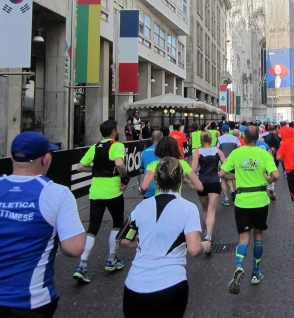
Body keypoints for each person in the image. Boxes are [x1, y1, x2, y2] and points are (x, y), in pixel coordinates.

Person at [0, 131, 86, 317]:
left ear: (12, 157)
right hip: (31, 303)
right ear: (46, 158)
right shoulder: (58, 194)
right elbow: (74, 248)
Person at [121, 157, 211, 318]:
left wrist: (145, 241)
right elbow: (194, 249)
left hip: (134, 288)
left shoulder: (140, 207)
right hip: (170, 287)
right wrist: (205, 245)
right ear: (181, 179)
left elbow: (123, 240)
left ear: (156, 179)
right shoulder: (189, 209)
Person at [219, 126, 280, 294]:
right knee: (258, 234)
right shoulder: (264, 153)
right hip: (260, 200)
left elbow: (221, 173)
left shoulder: (236, 153)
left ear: (244, 138)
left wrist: (236, 176)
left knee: (244, 238)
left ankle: (239, 265)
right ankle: (255, 272)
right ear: (258, 137)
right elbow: (276, 175)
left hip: (242, 201)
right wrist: (267, 179)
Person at [73, 120, 129, 284]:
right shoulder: (117, 145)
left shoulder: (95, 147)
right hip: (113, 192)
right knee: (117, 223)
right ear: (113, 131)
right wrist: (124, 176)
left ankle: (82, 265)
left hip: (96, 192)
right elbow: (119, 163)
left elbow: (79, 167)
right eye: (118, 129)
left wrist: (96, 169)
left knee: (93, 228)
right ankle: (111, 259)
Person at [192, 131, 226, 254]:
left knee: (205, 209)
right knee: (212, 210)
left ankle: (206, 232)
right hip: (215, 181)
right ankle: (209, 236)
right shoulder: (217, 150)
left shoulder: (197, 151)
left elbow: (193, 169)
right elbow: (226, 163)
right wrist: (219, 173)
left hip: (202, 182)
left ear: (201, 139)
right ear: (211, 139)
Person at [217, 124, 241, 205]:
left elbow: (217, 149)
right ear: (229, 130)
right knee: (234, 177)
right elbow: (239, 147)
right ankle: (236, 194)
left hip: (223, 161)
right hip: (234, 161)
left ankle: (226, 198)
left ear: (222, 131)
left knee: (223, 178)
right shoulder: (235, 138)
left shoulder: (219, 139)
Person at [139, 130, 163, 198]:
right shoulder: (164, 152)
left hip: (148, 186)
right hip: (161, 187)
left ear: (151, 139)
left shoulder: (144, 152)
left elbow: (141, 169)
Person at [261, 123, 281, 201]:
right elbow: (280, 146)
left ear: (267, 128)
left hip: (267, 156)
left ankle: (267, 186)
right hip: (275, 155)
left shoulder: (264, 138)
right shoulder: (278, 137)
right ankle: (272, 187)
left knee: (266, 172)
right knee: (273, 171)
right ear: (275, 128)